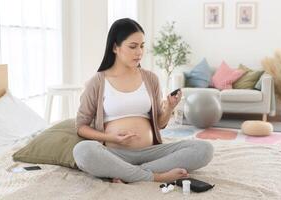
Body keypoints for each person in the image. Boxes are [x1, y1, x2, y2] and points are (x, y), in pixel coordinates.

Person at [73, 18, 213, 183]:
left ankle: (130, 174)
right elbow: (81, 127)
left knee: (204, 149)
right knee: (83, 150)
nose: (139, 52)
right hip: (115, 154)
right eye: (133, 46)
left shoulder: (150, 79)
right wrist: (112, 138)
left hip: (152, 152)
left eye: (142, 46)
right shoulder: (97, 81)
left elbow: (160, 124)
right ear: (115, 47)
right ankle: (154, 176)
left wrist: (168, 108)